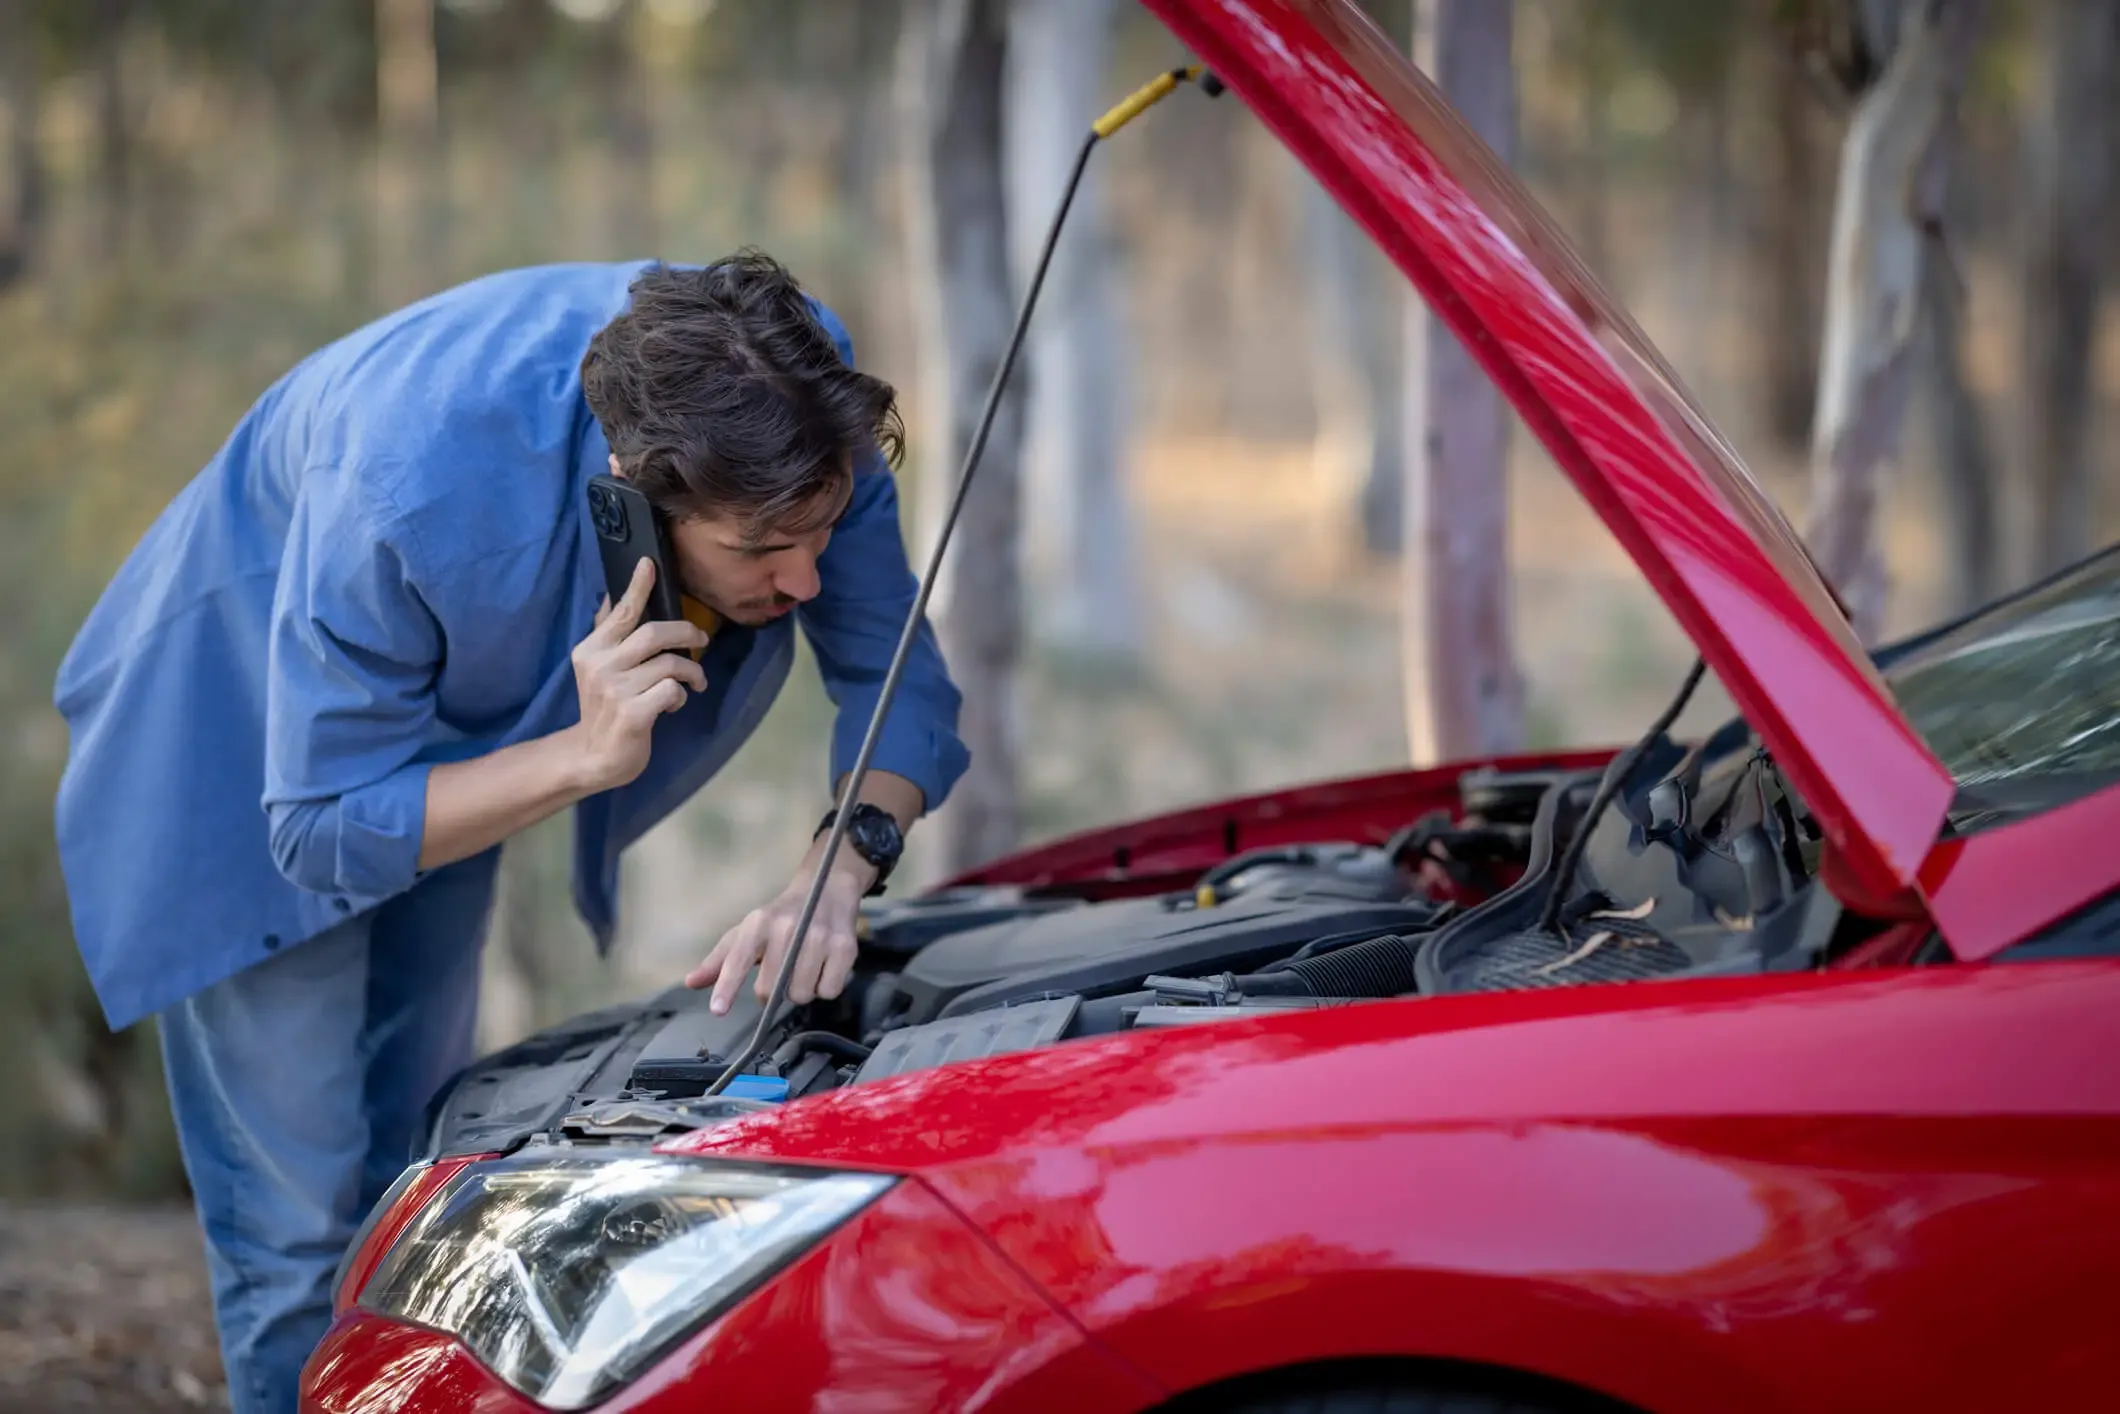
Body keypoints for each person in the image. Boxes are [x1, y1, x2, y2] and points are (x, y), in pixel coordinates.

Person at [49, 251, 968, 1414]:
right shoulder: (412, 483)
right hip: (231, 740)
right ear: (635, 495)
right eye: (754, 550)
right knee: (296, 1234)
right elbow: (321, 824)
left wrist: (837, 872)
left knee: (417, 1183)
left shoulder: (794, 410)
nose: (802, 576)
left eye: (820, 530)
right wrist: (579, 757)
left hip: (445, 749)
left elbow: (902, 683)